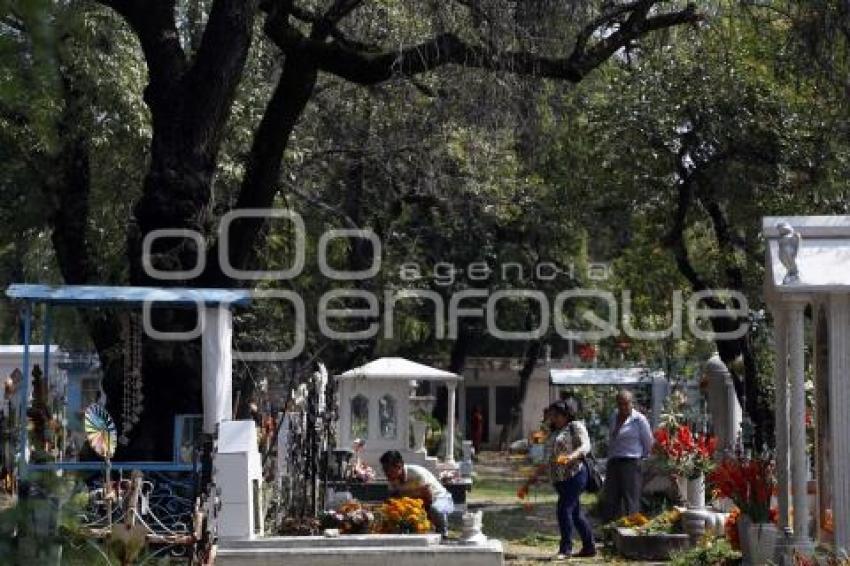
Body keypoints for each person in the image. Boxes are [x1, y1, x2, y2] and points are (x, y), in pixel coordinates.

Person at [521, 400, 595, 560]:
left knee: (563, 509)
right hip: (559, 479)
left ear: (565, 414)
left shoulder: (575, 426)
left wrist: (570, 457)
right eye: (552, 415)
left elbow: (585, 446)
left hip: (575, 475)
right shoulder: (553, 432)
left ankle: (565, 549)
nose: (553, 418)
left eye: (556, 415)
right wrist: (530, 481)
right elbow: (547, 460)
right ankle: (589, 547)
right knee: (575, 514)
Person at [603, 389, 654, 522]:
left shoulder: (639, 420)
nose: (623, 407)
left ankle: (632, 532)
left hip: (631, 462)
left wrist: (641, 460)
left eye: (626, 404)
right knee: (611, 498)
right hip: (614, 461)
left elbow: (648, 443)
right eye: (620, 404)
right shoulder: (614, 416)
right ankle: (610, 532)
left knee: (631, 498)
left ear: (632, 403)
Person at [379, 450, 454, 537]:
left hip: (440, 499)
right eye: (384, 470)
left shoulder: (416, 473)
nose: (386, 473)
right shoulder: (392, 480)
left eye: (388, 470)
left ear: (399, 466)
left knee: (435, 509)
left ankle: (443, 534)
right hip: (419, 503)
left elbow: (428, 499)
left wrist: (415, 512)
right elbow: (392, 500)